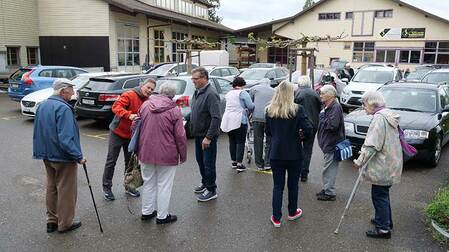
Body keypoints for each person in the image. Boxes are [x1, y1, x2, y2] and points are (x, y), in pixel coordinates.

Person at [33, 78, 87, 233]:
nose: (73, 93)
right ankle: (65, 223)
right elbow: (66, 138)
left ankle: (52, 221)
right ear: (63, 91)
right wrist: (78, 156)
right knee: (66, 190)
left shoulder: (43, 105)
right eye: (71, 90)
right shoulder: (63, 108)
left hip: (47, 154)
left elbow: (38, 132)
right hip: (63, 156)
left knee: (52, 187)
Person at [136, 83, 187, 224]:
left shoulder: (145, 105)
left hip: (145, 151)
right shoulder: (175, 110)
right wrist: (182, 155)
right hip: (167, 153)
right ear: (172, 96)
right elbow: (180, 135)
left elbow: (135, 127)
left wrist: (136, 148)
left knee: (148, 182)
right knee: (164, 185)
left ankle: (146, 212)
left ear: (160, 92)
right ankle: (162, 216)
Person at [353, 91, 402, 239]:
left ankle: (383, 229)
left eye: (364, 104)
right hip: (391, 162)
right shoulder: (388, 115)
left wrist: (359, 161)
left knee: (379, 195)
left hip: (383, 165)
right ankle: (385, 220)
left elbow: (372, 145)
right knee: (383, 194)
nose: (363, 107)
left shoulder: (379, 119)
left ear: (373, 104)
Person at [265, 80, 313, 228]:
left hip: (276, 152)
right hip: (294, 152)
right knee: (293, 185)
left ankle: (276, 218)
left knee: (277, 186)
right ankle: (292, 212)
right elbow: (309, 130)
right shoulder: (298, 110)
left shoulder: (269, 110)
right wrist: (301, 136)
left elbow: (268, 132)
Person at [102, 78, 156, 201]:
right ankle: (107, 188)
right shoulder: (129, 94)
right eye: (148, 87)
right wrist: (129, 115)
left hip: (132, 135)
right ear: (142, 86)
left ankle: (129, 186)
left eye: (152, 89)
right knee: (111, 161)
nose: (149, 90)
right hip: (117, 132)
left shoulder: (148, 101)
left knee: (130, 162)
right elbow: (116, 107)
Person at [190, 67, 222, 202]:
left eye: (196, 79)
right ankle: (205, 182)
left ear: (204, 78)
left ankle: (211, 189)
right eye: (193, 79)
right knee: (200, 161)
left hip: (207, 136)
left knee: (208, 163)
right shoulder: (197, 91)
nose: (193, 81)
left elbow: (216, 117)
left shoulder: (211, 94)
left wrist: (208, 137)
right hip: (198, 134)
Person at [316, 85, 345, 201]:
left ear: (330, 95)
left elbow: (332, 125)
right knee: (327, 168)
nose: (320, 95)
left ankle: (329, 192)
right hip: (328, 143)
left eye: (322, 93)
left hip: (332, 144)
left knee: (329, 169)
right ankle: (327, 188)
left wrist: (322, 116)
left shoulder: (335, 107)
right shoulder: (329, 106)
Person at [220, 77, 254, 172]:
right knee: (240, 141)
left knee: (232, 141)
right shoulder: (243, 93)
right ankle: (239, 164)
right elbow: (250, 106)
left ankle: (234, 162)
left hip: (228, 119)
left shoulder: (228, 93)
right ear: (242, 84)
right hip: (239, 119)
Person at [294, 76, 322, 182]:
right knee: (308, 149)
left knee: (296, 147)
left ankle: (296, 170)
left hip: (299, 125)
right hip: (313, 124)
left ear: (299, 83)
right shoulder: (315, 93)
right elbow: (320, 108)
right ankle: (304, 173)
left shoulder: (297, 93)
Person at [249, 79, 274, 170]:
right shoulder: (274, 91)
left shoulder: (254, 89)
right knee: (269, 140)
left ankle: (259, 163)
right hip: (269, 117)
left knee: (258, 140)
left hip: (257, 117)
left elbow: (250, 103)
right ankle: (268, 163)